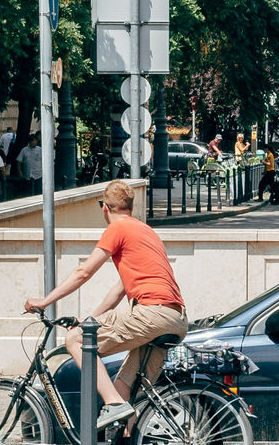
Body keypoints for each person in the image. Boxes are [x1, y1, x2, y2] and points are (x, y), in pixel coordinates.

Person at [25, 181, 189, 431]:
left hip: (151, 312)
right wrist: (91, 319)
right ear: (131, 207)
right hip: (176, 318)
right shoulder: (146, 232)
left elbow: (83, 272)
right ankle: (124, 425)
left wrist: (44, 301)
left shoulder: (118, 228)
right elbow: (119, 289)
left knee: (75, 340)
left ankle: (112, 403)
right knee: (125, 387)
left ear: (105, 207)